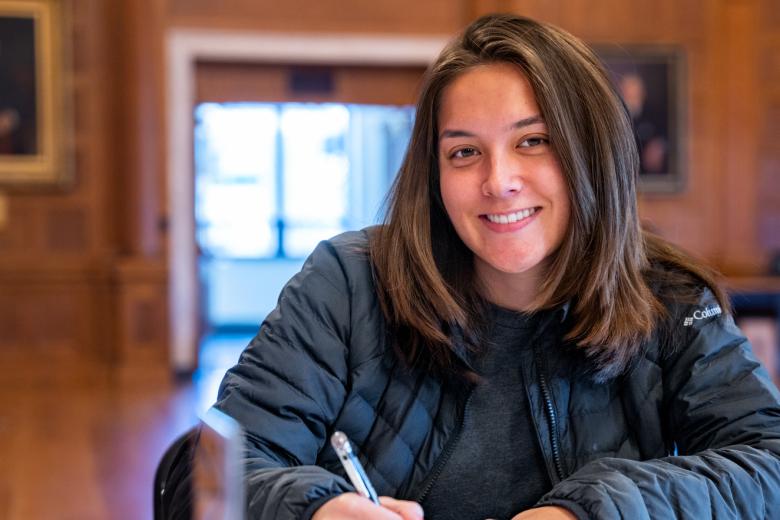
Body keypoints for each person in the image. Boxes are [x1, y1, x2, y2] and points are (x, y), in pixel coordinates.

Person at [165, 13, 780, 520]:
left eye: (533, 141)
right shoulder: (348, 284)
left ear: (591, 151)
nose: (499, 181)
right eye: (464, 152)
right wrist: (317, 510)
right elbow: (202, 472)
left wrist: (591, 513)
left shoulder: (668, 299)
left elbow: (769, 465)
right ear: (435, 176)